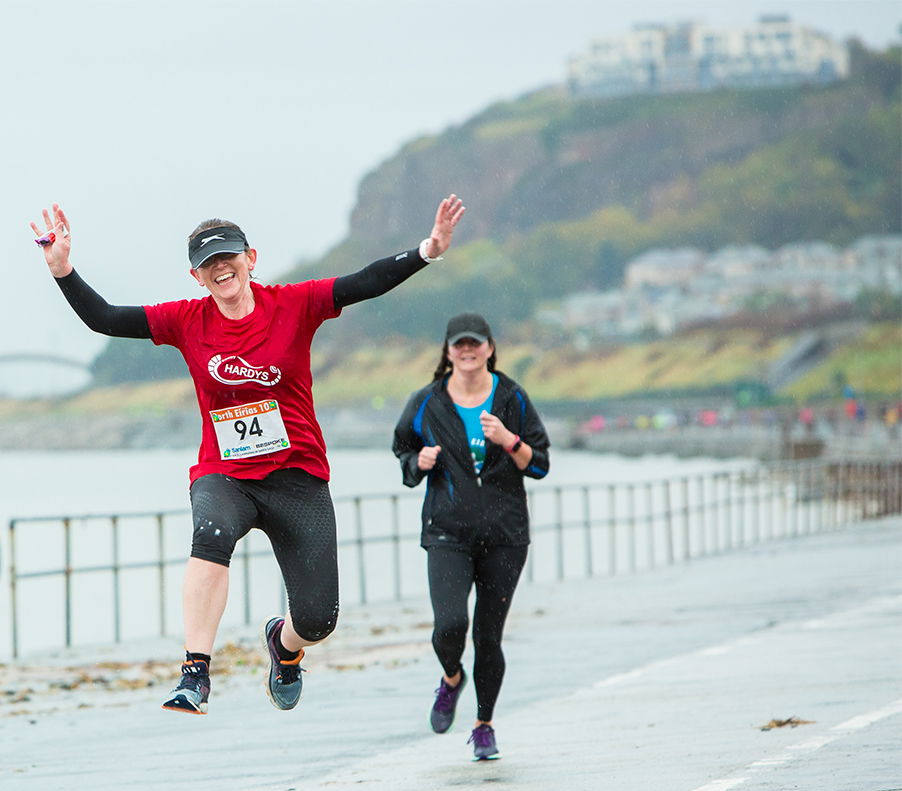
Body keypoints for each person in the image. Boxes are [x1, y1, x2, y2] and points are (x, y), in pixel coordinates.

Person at [31, 194, 466, 714]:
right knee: (210, 533)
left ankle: (284, 648)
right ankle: (195, 673)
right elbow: (105, 318)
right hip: (226, 474)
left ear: (250, 259)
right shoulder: (186, 320)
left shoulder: (294, 304)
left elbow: (363, 282)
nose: (221, 269)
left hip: (296, 476)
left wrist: (428, 250)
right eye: (207, 264)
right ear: (196, 277)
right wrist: (63, 271)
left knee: (318, 620)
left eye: (228, 258)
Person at [391, 312, 550, 758]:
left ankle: (484, 724)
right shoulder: (427, 400)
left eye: (475, 343)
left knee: (488, 636)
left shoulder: (512, 397)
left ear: (490, 348)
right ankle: (451, 678)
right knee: (449, 626)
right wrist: (417, 463)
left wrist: (509, 440)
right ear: (447, 352)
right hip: (447, 533)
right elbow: (402, 449)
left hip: (505, 534)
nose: (467, 350)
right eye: (458, 344)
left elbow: (539, 463)